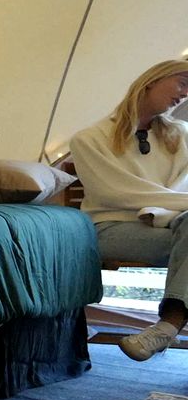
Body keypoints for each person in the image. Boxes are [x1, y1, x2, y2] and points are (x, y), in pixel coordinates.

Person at [70, 59, 188, 361]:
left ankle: (166, 326)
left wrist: (167, 211)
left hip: (177, 227)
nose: (184, 94)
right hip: (111, 228)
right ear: (152, 79)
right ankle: (171, 323)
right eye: (183, 83)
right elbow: (116, 193)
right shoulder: (89, 139)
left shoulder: (183, 136)